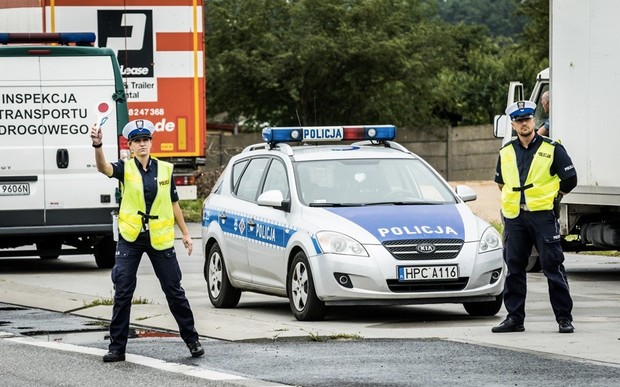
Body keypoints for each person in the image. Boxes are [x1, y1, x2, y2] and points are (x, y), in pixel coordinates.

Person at [90, 119, 204, 362]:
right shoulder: (124, 168)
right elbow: (102, 168)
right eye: (137, 141)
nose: (142, 144)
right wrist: (97, 145)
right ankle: (117, 348)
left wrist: (185, 233)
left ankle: (192, 340)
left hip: (159, 238)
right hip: (131, 237)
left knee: (174, 291)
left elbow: (174, 203)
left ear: (151, 142)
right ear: (130, 146)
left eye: (145, 140)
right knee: (123, 291)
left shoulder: (165, 170)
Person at [492, 100, 577, 334]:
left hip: (542, 217)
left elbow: (570, 180)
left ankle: (564, 318)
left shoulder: (552, 148)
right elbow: (501, 182)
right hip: (515, 218)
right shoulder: (506, 151)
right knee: (515, 269)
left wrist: (552, 197)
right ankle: (514, 318)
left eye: (528, 119)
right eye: (519, 121)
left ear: (534, 120)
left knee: (553, 267)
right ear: (513, 124)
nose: (524, 124)